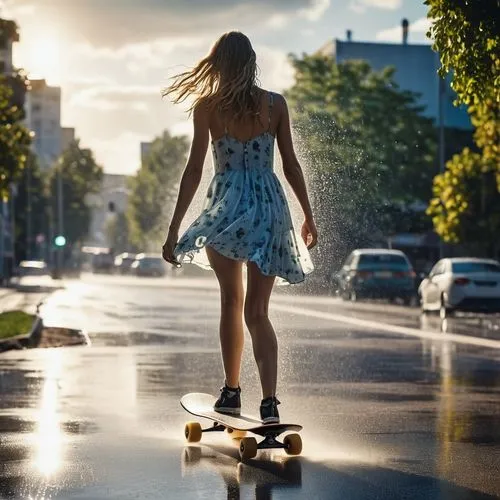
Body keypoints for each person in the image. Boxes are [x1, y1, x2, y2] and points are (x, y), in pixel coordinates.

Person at [162, 31, 317, 424]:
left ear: (218, 64)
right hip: (269, 210)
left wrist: (175, 227)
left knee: (231, 303)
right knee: (258, 312)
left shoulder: (208, 108)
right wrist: (307, 215)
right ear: (250, 61)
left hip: (226, 211)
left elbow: (195, 170)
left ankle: (231, 394)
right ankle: (269, 403)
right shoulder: (275, 105)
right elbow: (291, 164)